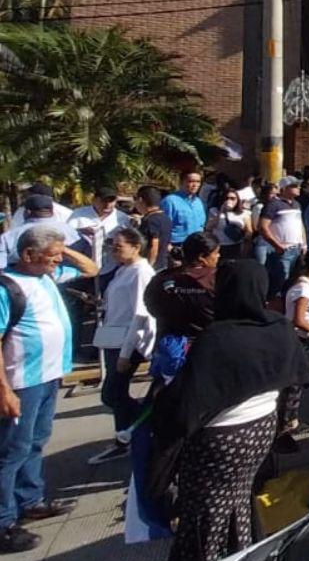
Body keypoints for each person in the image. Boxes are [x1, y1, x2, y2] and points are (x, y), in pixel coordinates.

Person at [148, 261, 309, 561]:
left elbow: (184, 406)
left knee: (206, 513)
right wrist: (285, 422)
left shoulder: (216, 338)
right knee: (239, 497)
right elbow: (296, 381)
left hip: (218, 441)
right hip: (260, 432)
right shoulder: (278, 327)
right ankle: (243, 552)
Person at [0, 227, 80, 554]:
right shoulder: (8, 287)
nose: (58, 261)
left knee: (36, 440)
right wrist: (4, 390)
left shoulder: (45, 274)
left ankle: (30, 500)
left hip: (48, 375)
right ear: (29, 255)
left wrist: (62, 248)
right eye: (53, 255)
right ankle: (4, 521)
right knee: (11, 451)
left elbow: (90, 268)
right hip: (22, 380)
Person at [88, 227, 157, 465]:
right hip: (113, 337)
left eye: (119, 247)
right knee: (114, 395)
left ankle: (141, 425)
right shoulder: (123, 271)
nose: (114, 252)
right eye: (112, 247)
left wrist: (127, 353)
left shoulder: (141, 272)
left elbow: (141, 314)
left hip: (127, 342)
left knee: (113, 393)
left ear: (136, 247)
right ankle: (128, 433)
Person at [145, 233, 219, 388]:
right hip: (204, 348)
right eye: (216, 252)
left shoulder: (162, 278)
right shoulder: (215, 278)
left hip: (169, 347)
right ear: (201, 257)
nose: (218, 256)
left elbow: (151, 305)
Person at [258, 176, 306, 300]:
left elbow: (300, 225)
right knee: (280, 285)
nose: (298, 188)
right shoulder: (273, 205)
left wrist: (304, 243)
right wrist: (277, 245)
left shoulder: (297, 205)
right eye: (294, 186)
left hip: (297, 249)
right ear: (284, 188)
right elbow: (263, 227)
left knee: (293, 283)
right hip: (282, 251)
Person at [68, 187, 130, 277]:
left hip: (110, 267)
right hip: (82, 267)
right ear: (94, 200)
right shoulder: (79, 214)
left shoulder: (122, 218)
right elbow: (68, 235)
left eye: (111, 201)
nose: (107, 204)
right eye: (104, 200)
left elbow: (128, 241)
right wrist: (82, 232)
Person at [161, 171, 207, 250]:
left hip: (197, 243)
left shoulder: (198, 201)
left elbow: (201, 224)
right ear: (181, 182)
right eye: (191, 181)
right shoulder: (170, 201)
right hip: (177, 245)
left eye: (198, 182)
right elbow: (163, 227)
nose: (195, 185)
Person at [206, 189, 252, 262]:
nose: (229, 200)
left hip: (236, 246)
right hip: (219, 245)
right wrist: (221, 211)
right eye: (226, 198)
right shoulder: (214, 211)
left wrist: (242, 234)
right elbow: (208, 227)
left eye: (233, 198)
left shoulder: (243, 213)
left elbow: (249, 231)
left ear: (237, 200)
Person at [136, 186, 173, 273]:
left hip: (152, 267)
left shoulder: (150, 221)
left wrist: (148, 267)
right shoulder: (165, 218)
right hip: (163, 264)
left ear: (140, 200)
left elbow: (154, 245)